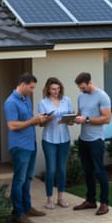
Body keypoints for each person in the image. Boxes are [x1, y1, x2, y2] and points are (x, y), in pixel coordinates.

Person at [4, 72, 48, 223]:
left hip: (31, 144)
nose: (32, 91)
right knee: (19, 180)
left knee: (28, 178)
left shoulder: (26, 99)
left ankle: (27, 207)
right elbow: (12, 125)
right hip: (20, 146)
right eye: (30, 87)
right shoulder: (11, 102)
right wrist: (33, 120)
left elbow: (28, 121)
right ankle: (18, 213)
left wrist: (40, 119)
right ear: (22, 84)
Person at [72, 72, 112, 215]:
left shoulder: (102, 96)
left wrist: (87, 120)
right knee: (87, 172)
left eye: (83, 87)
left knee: (99, 172)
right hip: (83, 139)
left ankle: (104, 203)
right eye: (80, 88)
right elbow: (79, 114)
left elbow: (107, 119)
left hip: (96, 140)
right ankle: (90, 200)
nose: (81, 90)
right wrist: (73, 118)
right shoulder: (81, 96)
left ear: (89, 82)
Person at [38, 77, 74, 209]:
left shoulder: (67, 100)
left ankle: (61, 198)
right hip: (49, 140)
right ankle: (49, 199)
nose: (56, 91)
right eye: (53, 89)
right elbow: (41, 124)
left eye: (58, 89)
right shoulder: (43, 103)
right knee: (51, 169)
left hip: (64, 139)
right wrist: (49, 119)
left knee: (62, 169)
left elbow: (70, 121)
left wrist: (70, 119)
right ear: (48, 89)